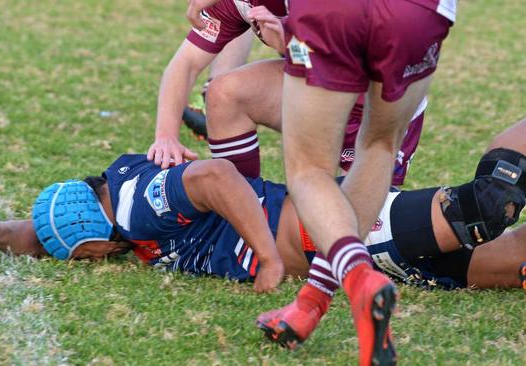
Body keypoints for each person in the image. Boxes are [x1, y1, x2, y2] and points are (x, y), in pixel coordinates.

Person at [0, 119, 526, 298]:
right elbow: (49, 232)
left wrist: (265, 257)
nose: (95, 262)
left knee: (481, 209)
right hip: (348, 254)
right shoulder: (106, 197)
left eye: (88, 255)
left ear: (99, 236)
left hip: (328, 233)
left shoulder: (134, 212)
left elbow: (214, 175)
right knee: (507, 266)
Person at [188, 0, 458, 363]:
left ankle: (360, 276)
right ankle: (314, 299)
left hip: (335, 10)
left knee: (309, 169)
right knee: (378, 147)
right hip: (420, 11)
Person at [150, 0, 426, 187]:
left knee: (345, 227)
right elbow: (185, 64)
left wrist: (287, 44)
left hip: (379, 102)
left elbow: (341, 66)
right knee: (225, 92)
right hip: (319, 89)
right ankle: (242, 202)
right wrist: (166, 137)